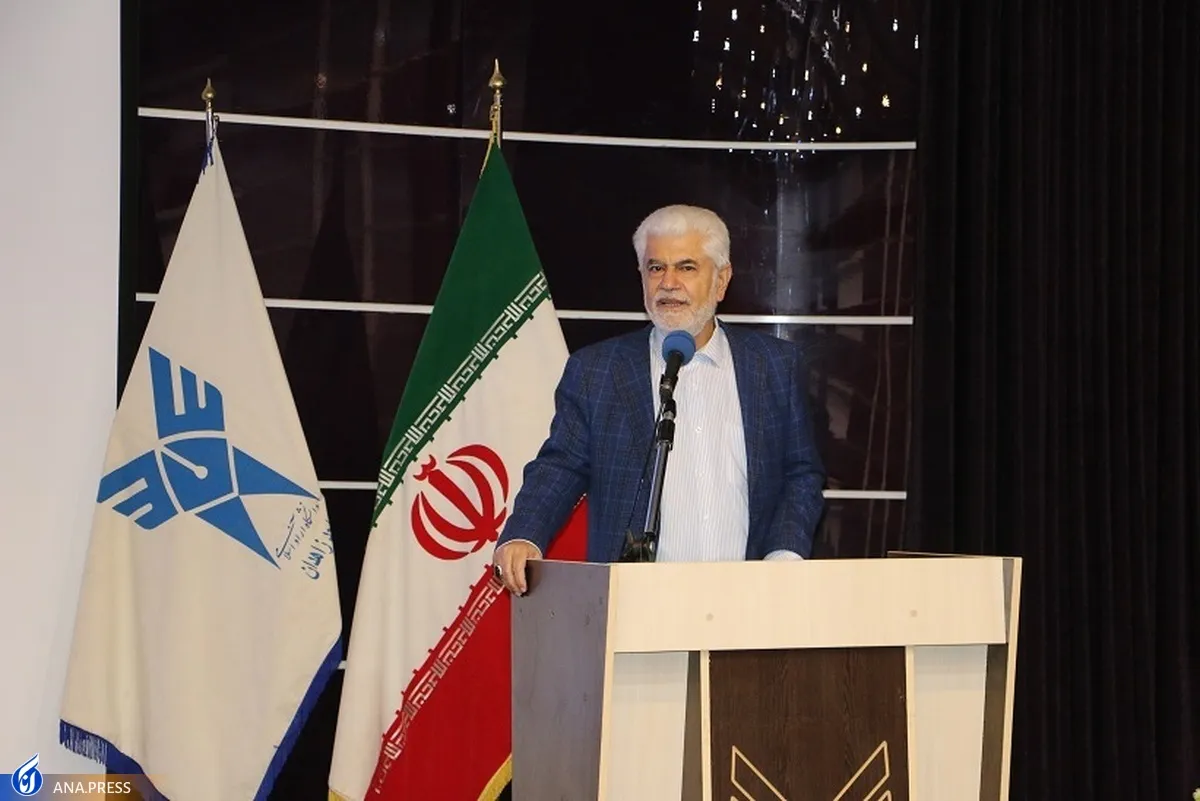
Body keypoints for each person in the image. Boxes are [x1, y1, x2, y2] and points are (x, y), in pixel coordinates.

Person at [492, 204, 826, 595]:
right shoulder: (597, 371)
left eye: (686, 267)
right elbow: (560, 466)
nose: (668, 283)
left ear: (721, 280)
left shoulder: (774, 366)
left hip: (749, 597)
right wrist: (525, 534)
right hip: (636, 603)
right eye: (656, 268)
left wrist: (784, 557)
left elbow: (801, 473)